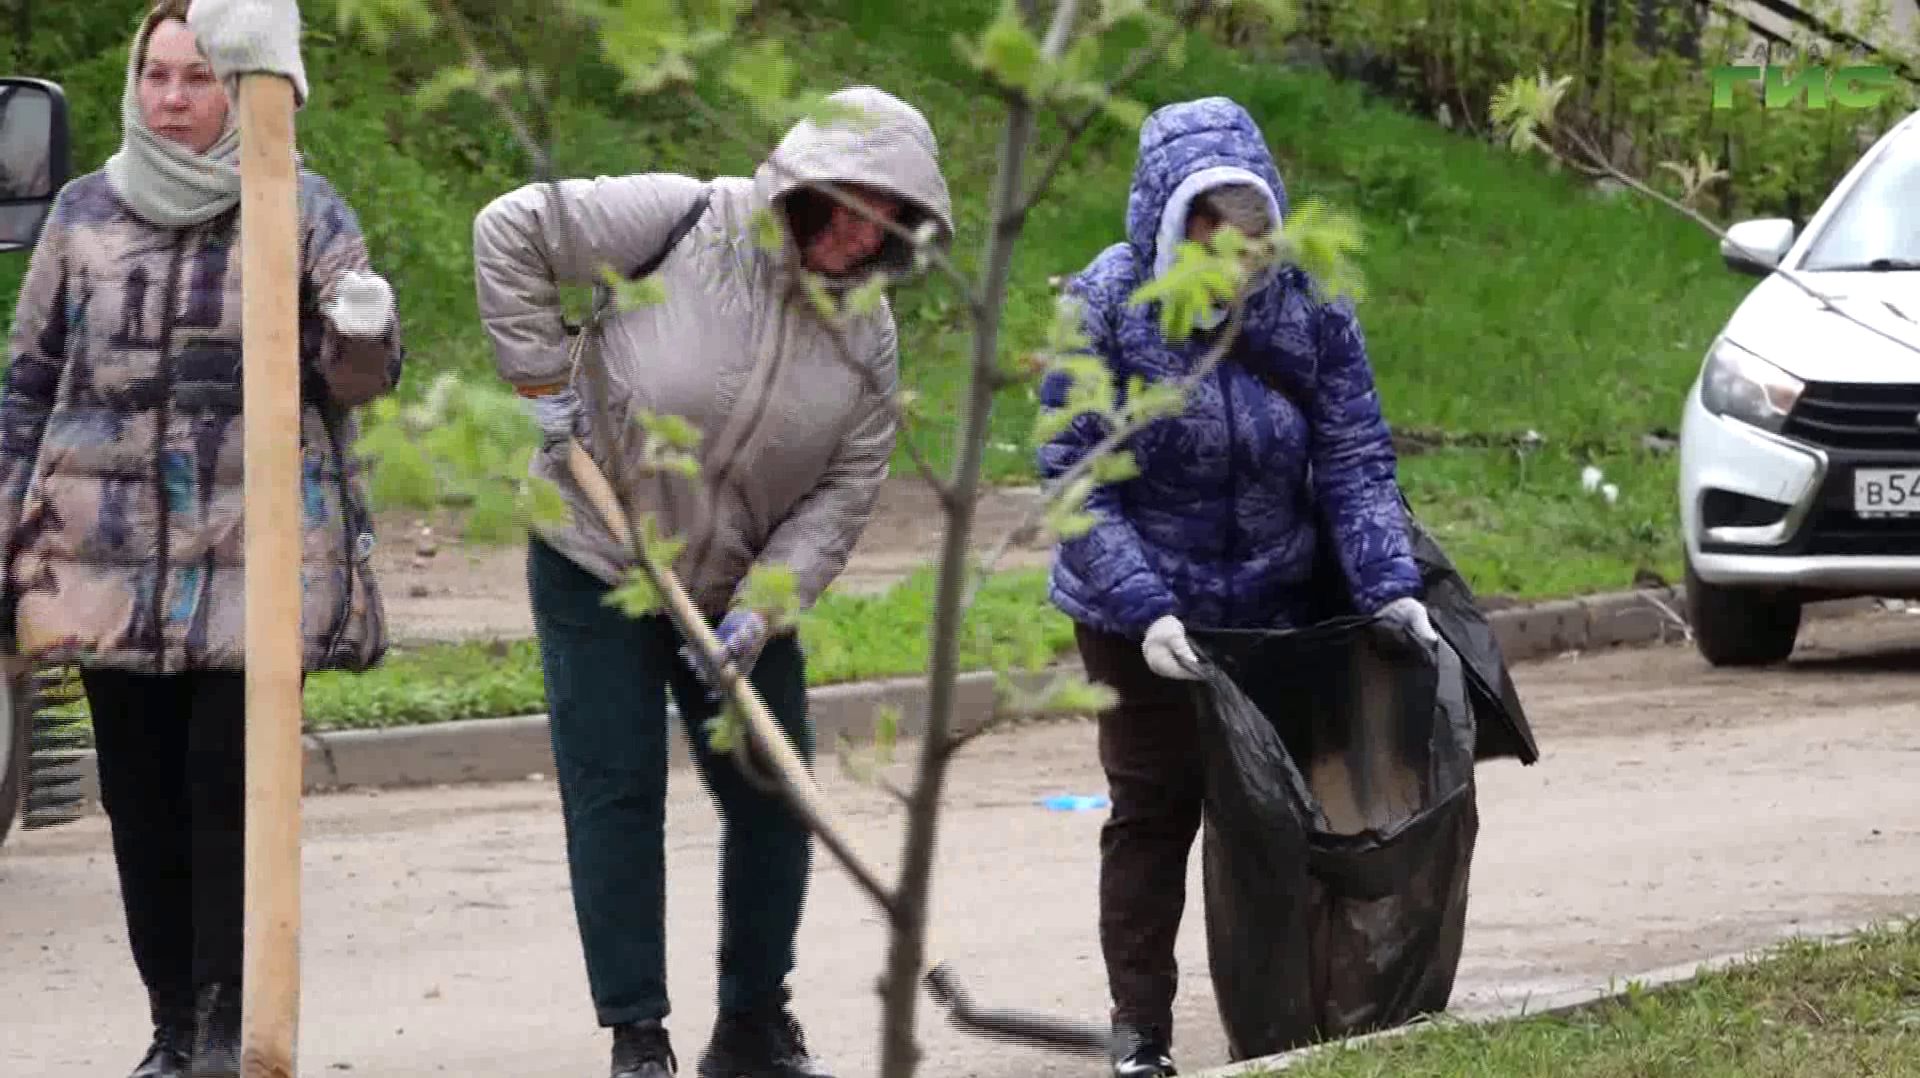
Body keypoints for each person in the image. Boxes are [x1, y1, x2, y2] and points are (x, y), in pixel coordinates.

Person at [471, 85, 952, 1078]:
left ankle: (752, 1025)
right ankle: (637, 1035)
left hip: (731, 589)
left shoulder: (867, 338)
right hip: (596, 554)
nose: (862, 240)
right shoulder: (687, 218)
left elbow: (847, 485)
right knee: (618, 789)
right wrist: (537, 384)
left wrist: (764, 606)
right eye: (850, 208)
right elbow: (509, 227)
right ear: (805, 184)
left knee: (777, 794)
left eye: (887, 225)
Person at [0, 3, 402, 1076]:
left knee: (229, 791)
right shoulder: (83, 214)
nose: (173, 100)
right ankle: (172, 1024)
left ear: (248, 93)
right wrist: (6, 534)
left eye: (199, 79)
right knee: (140, 801)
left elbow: (355, 380)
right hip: (106, 560)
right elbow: (28, 383)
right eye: (157, 77)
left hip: (252, 562)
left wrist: (362, 323)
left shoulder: (297, 206)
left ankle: (235, 1019)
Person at [1035, 97, 1438, 1078]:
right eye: (1212, 224)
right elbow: (1076, 477)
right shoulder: (1105, 305)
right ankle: (1142, 1034)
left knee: (1273, 823)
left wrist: (1388, 581)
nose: (1238, 250)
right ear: (1172, 222)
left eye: (1252, 227)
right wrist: (1145, 609)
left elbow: (1352, 451)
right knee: (1153, 812)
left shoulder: (1307, 302)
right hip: (1143, 615)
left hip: (1273, 611)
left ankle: (1278, 1027)